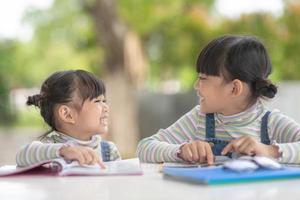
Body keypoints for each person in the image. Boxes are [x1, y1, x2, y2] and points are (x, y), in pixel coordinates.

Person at [137, 35, 300, 165]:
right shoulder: (198, 119)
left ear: (234, 88)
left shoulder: (271, 123)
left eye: (203, 78)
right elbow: (144, 147)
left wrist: (270, 151)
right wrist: (180, 150)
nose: (196, 85)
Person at [16, 70, 121, 168]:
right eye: (98, 101)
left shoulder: (109, 151)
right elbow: (22, 155)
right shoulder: (50, 146)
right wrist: (63, 151)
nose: (106, 107)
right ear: (67, 114)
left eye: (104, 101)